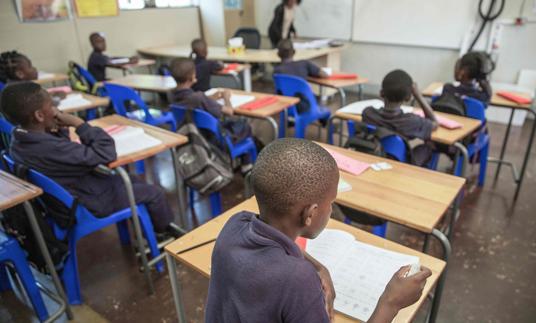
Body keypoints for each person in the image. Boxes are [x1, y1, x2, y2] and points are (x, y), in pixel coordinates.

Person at [205, 138, 432, 323]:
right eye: (331, 202)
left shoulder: (236, 223)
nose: (331, 209)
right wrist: (390, 303)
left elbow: (279, 249)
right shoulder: (298, 280)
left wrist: (318, 267)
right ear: (310, 214)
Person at [1, 82, 179, 240]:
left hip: (70, 196)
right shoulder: (50, 148)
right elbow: (106, 153)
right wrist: (79, 124)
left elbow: (66, 152)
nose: (55, 109)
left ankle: (145, 228)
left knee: (132, 181)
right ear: (39, 116)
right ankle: (163, 233)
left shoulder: (19, 141)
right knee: (154, 192)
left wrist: (57, 129)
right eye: (51, 105)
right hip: (88, 201)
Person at [169, 58, 254, 173]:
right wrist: (226, 98)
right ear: (191, 76)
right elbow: (229, 111)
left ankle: (242, 161)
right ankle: (246, 166)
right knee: (244, 125)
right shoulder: (199, 97)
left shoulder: (172, 95)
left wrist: (210, 98)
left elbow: (192, 101)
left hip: (193, 138)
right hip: (214, 140)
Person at [363, 69, 439, 166]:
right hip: (401, 166)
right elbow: (435, 123)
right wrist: (418, 96)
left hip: (371, 158)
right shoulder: (412, 121)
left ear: (381, 93)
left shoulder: (368, 113)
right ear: (408, 97)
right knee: (429, 146)